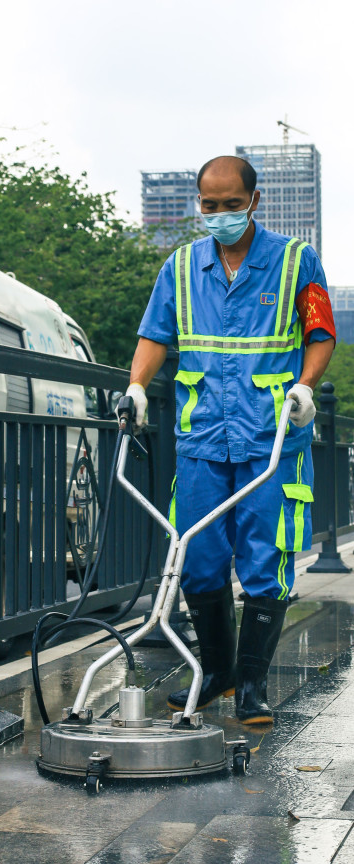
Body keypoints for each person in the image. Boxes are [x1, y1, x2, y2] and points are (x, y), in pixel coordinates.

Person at [126, 155, 336, 725]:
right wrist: (137, 386)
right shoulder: (181, 267)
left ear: (254, 201)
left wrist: (305, 385)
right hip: (201, 439)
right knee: (197, 557)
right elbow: (155, 336)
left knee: (266, 559)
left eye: (231, 204)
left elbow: (321, 333)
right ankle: (216, 673)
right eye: (210, 205)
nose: (220, 214)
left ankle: (251, 686)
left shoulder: (295, 260)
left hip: (272, 437)